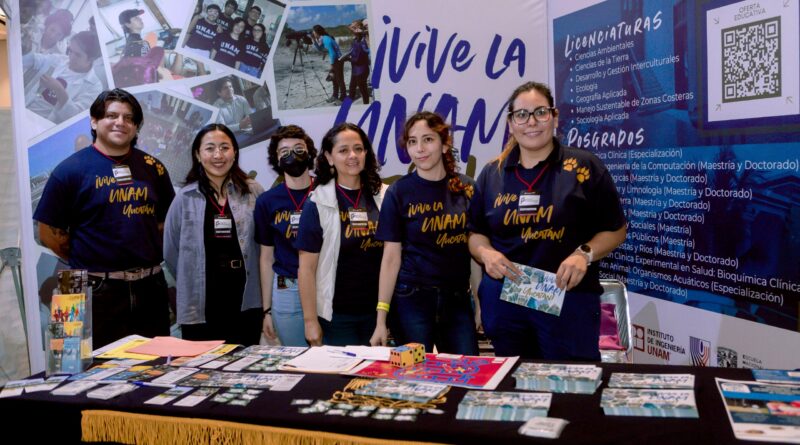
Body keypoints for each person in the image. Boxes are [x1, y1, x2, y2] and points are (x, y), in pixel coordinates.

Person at [467, 81, 627, 360]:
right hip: (506, 302)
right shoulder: (492, 173)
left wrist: (584, 254)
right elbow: (475, 233)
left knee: (571, 382)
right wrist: (486, 253)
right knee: (514, 379)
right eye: (522, 115)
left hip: (568, 300)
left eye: (540, 112)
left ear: (554, 117)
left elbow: (616, 230)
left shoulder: (585, 167)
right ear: (511, 124)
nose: (531, 122)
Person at [33, 89, 175, 349]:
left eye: (129, 118)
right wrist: (94, 262)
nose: (121, 122)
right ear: (94, 121)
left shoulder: (153, 168)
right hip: (87, 290)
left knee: (155, 365)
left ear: (136, 127)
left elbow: (164, 224)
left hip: (150, 288)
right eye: (112, 115)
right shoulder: (68, 171)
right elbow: (48, 233)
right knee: (83, 369)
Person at [370, 112, 479, 355]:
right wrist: (381, 318)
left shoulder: (467, 188)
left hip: (457, 299)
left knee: (465, 370)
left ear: (445, 144)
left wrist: (479, 304)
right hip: (411, 298)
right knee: (414, 372)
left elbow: (474, 251)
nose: (419, 149)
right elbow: (390, 258)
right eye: (412, 141)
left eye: (428, 139)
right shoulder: (398, 192)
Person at [164, 123, 264, 345]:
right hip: (200, 301)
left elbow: (266, 246)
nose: (218, 155)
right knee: (202, 364)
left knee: (245, 360)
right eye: (210, 148)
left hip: (246, 297)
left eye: (224, 147)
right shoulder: (185, 198)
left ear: (234, 152)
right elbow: (171, 252)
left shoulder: (253, 191)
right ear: (198, 155)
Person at [296, 123, 387, 346]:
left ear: (366, 153)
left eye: (358, 149)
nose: (352, 155)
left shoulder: (385, 196)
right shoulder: (318, 202)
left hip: (380, 313)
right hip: (337, 317)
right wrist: (310, 321)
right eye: (343, 150)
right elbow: (306, 269)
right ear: (329, 157)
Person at [255, 125, 318, 346]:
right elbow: (266, 258)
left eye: (299, 149)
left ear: (309, 153)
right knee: (298, 358)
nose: (292, 155)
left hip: (325, 285)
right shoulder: (267, 201)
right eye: (285, 151)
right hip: (287, 290)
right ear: (276, 159)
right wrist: (267, 310)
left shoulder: (327, 191)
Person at [23, 31, 103, 124]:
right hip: (26, 109)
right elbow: (34, 60)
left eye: (78, 55)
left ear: (91, 59)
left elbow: (75, 117)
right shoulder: (59, 60)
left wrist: (59, 90)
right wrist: (24, 49)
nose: (71, 57)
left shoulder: (94, 86)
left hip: (44, 125)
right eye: (70, 51)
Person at [312, 24, 345, 103]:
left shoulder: (326, 39)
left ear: (317, 32)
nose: (313, 33)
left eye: (313, 32)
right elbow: (321, 49)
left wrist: (331, 65)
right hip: (336, 60)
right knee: (334, 79)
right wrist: (314, 41)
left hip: (338, 60)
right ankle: (335, 96)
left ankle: (343, 97)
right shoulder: (323, 38)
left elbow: (332, 54)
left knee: (339, 80)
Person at [347, 19, 370, 104]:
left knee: (363, 90)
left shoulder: (363, 39)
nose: (352, 29)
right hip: (355, 69)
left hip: (361, 69)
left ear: (359, 28)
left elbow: (360, 57)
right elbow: (352, 52)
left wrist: (349, 58)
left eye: (354, 27)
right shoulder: (355, 40)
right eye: (352, 27)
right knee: (352, 88)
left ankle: (366, 105)